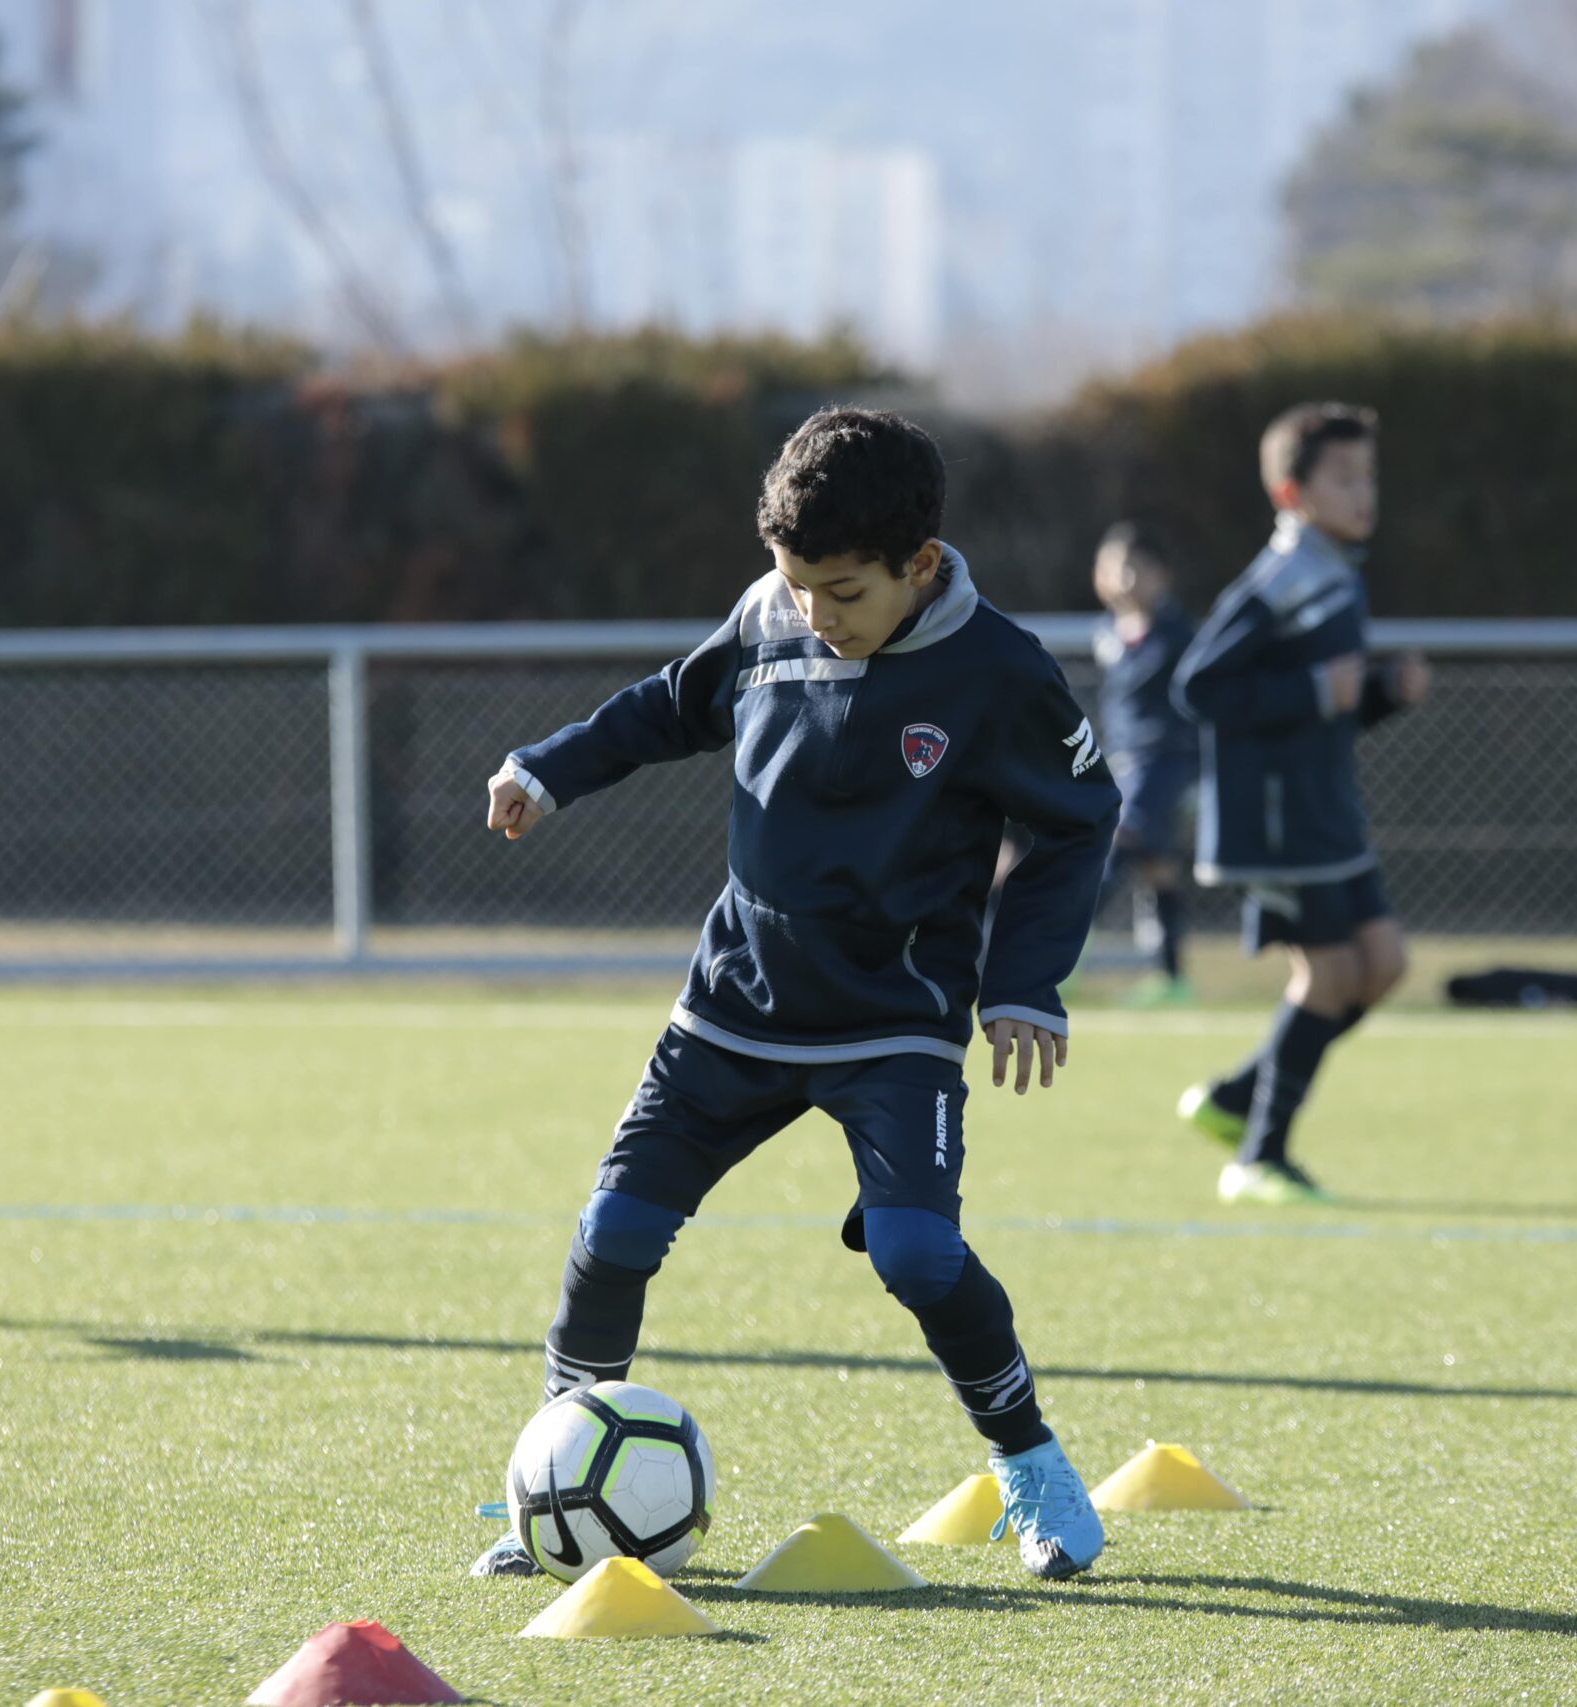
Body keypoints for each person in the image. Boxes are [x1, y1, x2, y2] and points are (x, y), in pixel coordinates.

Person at [474, 407, 1120, 1581]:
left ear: (919, 567)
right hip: (736, 1005)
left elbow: (1080, 820)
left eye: (843, 594)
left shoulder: (1002, 673)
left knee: (920, 1260)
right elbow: (670, 704)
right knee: (612, 1233)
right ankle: (553, 1490)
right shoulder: (772, 613)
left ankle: (1031, 1467)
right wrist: (546, 769)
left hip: (894, 1025)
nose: (814, 617)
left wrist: (1024, 982)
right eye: (795, 588)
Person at [1169, 403, 1429, 1205]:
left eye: (1368, 476)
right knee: (1330, 973)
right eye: (1343, 478)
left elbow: (1331, 710)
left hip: (1328, 811)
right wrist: (1319, 686)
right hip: (1278, 824)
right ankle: (1257, 1157)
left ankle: (1238, 1097)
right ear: (1292, 492)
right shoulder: (1277, 581)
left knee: (1381, 966)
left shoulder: (1337, 573)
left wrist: (1383, 693)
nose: (1364, 493)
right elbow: (1199, 686)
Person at [1090, 521, 1200, 1006]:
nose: (1127, 578)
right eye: (1117, 569)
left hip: (1165, 762)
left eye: (1138, 568)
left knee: (1118, 839)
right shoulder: (1108, 636)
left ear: (1162, 576)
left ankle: (1059, 953)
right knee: (1158, 866)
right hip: (1126, 763)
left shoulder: (1179, 635)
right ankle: (1172, 979)